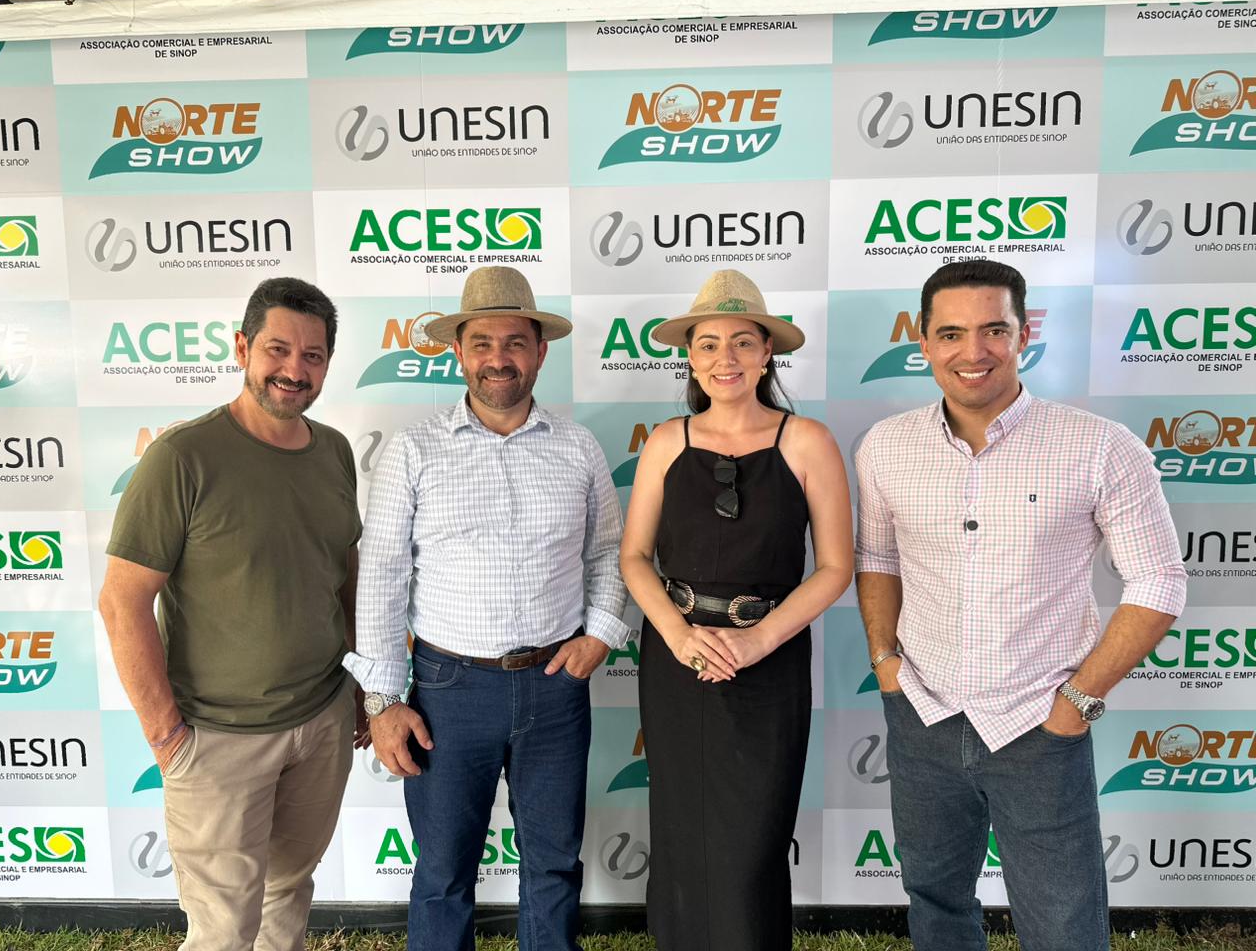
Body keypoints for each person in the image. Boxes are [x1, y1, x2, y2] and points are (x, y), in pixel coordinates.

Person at [854, 259, 1187, 951]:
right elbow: (878, 559)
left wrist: (1077, 703)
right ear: (923, 341)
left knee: (1063, 924)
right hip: (922, 712)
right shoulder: (885, 447)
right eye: (951, 333)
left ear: (1024, 334)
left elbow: (1159, 583)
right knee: (934, 898)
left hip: (1040, 723)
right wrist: (885, 663)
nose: (973, 351)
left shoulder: (1100, 446)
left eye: (994, 330)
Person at [346, 265, 630, 951]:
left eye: (514, 342)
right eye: (481, 343)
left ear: (540, 351)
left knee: (554, 865)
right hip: (449, 689)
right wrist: (382, 702)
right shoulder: (414, 450)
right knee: (443, 872)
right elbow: (381, 574)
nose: (498, 358)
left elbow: (607, 552)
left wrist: (601, 634)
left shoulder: (579, 447)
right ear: (457, 352)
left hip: (556, 687)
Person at [99, 277, 364, 951]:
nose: (294, 370)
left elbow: (344, 573)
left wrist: (360, 687)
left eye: (312, 356)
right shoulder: (181, 458)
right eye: (278, 349)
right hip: (217, 741)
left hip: (321, 721)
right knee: (222, 929)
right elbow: (122, 602)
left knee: (288, 892)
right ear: (243, 348)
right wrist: (168, 739)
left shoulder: (334, 451)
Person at [619, 269, 854, 950]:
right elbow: (635, 556)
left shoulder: (808, 441)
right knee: (682, 833)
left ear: (767, 353)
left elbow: (835, 567)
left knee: (753, 842)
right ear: (690, 358)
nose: (727, 358)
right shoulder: (667, 441)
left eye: (743, 342)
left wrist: (757, 642)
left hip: (769, 665)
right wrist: (678, 634)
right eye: (709, 344)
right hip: (678, 663)